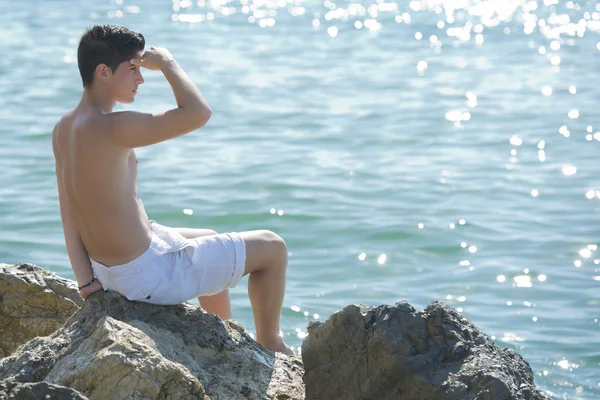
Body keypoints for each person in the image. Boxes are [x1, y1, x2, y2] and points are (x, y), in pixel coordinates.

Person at [52, 25, 293, 355]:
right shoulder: (112, 127)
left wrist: (86, 281)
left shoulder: (64, 127)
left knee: (207, 235)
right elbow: (198, 113)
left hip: (106, 271)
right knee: (273, 248)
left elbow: (69, 209)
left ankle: (224, 344)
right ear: (104, 72)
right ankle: (270, 342)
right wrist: (167, 62)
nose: (141, 78)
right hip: (147, 275)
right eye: (133, 68)